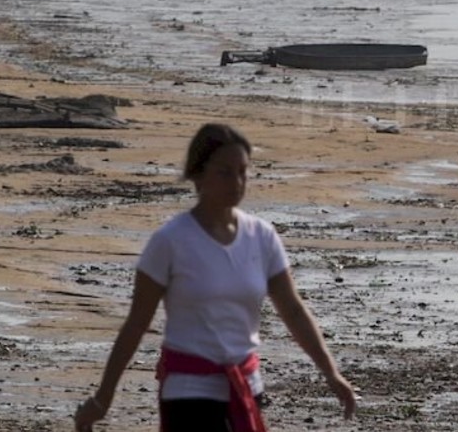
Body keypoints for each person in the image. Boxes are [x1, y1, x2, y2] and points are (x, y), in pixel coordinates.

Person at [74, 122, 357, 432]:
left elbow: (292, 309)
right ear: (198, 174)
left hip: (246, 388)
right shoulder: (170, 241)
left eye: (243, 172)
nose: (236, 182)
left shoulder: (262, 237)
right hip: (188, 396)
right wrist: (103, 398)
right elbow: (136, 324)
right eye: (225, 172)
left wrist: (330, 372)